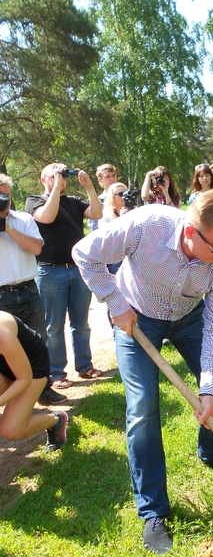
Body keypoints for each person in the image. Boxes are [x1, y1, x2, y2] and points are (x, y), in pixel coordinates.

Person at [72, 189, 213, 555]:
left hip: (189, 318)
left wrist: (208, 388)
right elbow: (85, 254)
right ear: (189, 233)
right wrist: (115, 302)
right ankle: (153, 511)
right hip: (136, 317)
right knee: (143, 408)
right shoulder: (145, 225)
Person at [25, 163, 103, 389]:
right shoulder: (35, 201)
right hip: (50, 271)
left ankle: (85, 366)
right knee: (54, 327)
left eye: (61, 177)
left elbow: (96, 214)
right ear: (43, 180)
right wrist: (56, 185)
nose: (59, 180)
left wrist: (89, 188)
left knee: (81, 324)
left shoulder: (73, 202)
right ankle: (56, 373)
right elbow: (47, 217)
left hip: (78, 269)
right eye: (52, 177)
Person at [0, 174, 65, 405]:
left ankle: (43, 390)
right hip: (1, 296)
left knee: (39, 341)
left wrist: (7, 228)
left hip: (28, 290)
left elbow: (37, 248)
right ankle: (14, 396)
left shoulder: (24, 219)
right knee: (5, 350)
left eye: (5, 195)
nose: (2, 200)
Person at [0, 310, 68, 451]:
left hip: (31, 366)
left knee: (11, 430)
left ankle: (56, 420)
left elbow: (24, 379)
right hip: (3, 364)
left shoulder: (2, 333)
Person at [87, 163, 117, 232]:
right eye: (107, 177)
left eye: (113, 175)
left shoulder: (125, 197)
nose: (112, 179)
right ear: (100, 180)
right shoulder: (97, 201)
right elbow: (94, 228)